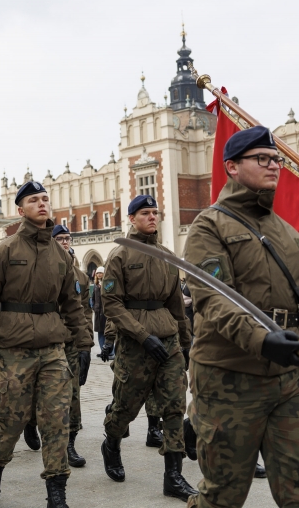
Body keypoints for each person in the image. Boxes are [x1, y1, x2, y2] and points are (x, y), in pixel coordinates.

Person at [181, 127, 299, 507]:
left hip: (290, 380)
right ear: (232, 166)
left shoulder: (290, 236)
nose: (274, 166)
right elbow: (213, 298)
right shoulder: (208, 226)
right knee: (223, 496)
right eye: (262, 158)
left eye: (276, 159)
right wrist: (262, 340)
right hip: (229, 377)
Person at [0, 181, 91, 508]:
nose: (42, 204)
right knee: (10, 420)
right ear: (21, 210)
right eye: (34, 200)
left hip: (53, 348)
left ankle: (56, 492)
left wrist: (84, 342)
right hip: (14, 349)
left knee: (56, 420)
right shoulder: (6, 250)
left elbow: (72, 303)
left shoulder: (59, 255)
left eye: (45, 199)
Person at [100, 195, 196, 501]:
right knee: (125, 407)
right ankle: (111, 442)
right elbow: (112, 304)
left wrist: (184, 342)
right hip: (136, 344)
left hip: (167, 340)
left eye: (155, 212)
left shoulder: (167, 256)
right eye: (145, 213)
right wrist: (142, 336)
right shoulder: (120, 255)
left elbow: (175, 303)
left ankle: (173, 477)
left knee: (174, 405)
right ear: (131, 218)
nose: (152, 217)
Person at [52, 225, 94, 468]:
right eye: (59, 239)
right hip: (48, 340)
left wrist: (85, 343)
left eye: (67, 239)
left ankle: (69, 443)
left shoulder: (81, 276)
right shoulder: (44, 270)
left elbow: (86, 313)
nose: (65, 243)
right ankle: (30, 424)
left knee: (73, 393)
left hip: (71, 342)